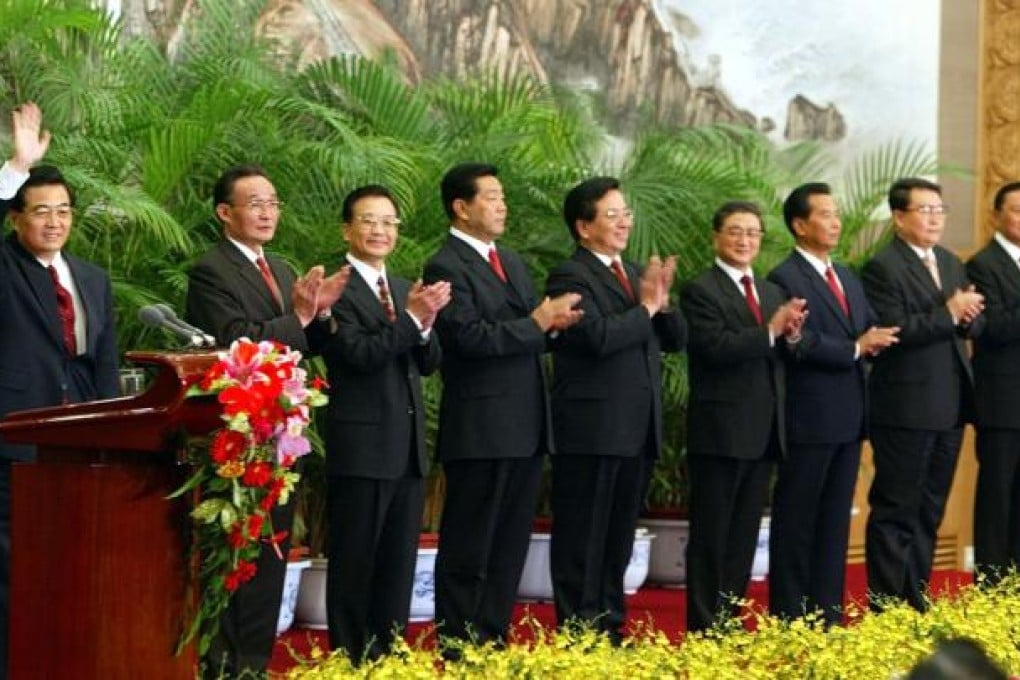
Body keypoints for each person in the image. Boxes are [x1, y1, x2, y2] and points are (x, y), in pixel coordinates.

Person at [185, 163, 348, 675]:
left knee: (272, 549)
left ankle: (253, 661)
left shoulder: (279, 268)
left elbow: (308, 345)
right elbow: (236, 340)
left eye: (272, 202)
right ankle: (222, 664)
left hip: (280, 433)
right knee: (237, 551)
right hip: (236, 436)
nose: (266, 212)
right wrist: (299, 317)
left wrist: (321, 315)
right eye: (254, 203)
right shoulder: (210, 270)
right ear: (224, 213)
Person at [422, 163, 582, 651]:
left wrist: (555, 326)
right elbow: (467, 339)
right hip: (481, 426)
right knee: (471, 542)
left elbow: (525, 334)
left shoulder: (509, 261)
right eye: (491, 196)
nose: (502, 205)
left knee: (509, 544)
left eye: (503, 196)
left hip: (527, 424)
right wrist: (537, 322)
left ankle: (492, 638)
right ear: (461, 206)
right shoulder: (445, 265)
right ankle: (458, 641)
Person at [0, 103, 120, 672]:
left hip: (78, 450)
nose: (54, 221)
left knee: (67, 569)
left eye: (64, 211)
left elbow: (104, 363)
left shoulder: (92, 278)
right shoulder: (6, 266)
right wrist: (17, 167)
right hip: (15, 443)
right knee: (11, 569)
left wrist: (115, 437)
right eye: (41, 211)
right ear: (17, 218)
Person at [309, 185, 450, 663]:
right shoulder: (336, 292)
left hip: (406, 448)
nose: (380, 230)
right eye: (369, 221)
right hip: (362, 446)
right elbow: (359, 355)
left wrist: (426, 324)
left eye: (389, 222)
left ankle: (387, 657)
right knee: (356, 561)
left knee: (396, 563)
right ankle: (349, 658)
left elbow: (428, 362)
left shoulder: (404, 285)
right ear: (347, 229)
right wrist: (413, 318)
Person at [544, 176, 686, 642]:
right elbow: (597, 339)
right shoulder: (571, 275)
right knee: (583, 537)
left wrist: (662, 303)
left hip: (635, 427)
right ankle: (578, 633)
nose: (625, 221)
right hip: (592, 428)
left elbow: (676, 340)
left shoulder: (629, 275)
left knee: (617, 537)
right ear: (583, 227)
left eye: (626, 213)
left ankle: (610, 625)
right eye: (612, 214)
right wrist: (645, 308)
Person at [767, 183, 899, 626]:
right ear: (800, 225)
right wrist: (856, 349)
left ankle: (827, 612)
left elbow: (861, 328)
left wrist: (870, 343)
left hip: (848, 415)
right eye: (825, 214)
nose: (836, 221)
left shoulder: (845, 274)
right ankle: (790, 614)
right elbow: (796, 344)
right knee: (798, 518)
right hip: (809, 416)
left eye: (837, 213)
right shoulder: (784, 277)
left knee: (834, 523)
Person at [679, 200, 805, 632]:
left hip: (764, 431)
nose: (745, 240)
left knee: (743, 538)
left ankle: (729, 623)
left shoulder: (771, 291)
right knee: (712, 535)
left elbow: (775, 355)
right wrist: (770, 331)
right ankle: (703, 627)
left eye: (753, 233)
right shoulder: (701, 290)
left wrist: (790, 336)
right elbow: (715, 347)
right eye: (735, 231)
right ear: (716, 236)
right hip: (720, 432)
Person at [861, 177, 984, 611]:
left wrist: (968, 317)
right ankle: (886, 607)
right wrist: (948, 313)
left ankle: (916, 599)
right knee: (897, 508)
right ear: (898, 217)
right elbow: (893, 330)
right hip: (905, 407)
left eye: (940, 210)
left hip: (949, 406)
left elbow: (969, 326)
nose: (935, 218)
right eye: (924, 210)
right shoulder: (883, 267)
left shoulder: (951, 262)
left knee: (930, 511)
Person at [966, 181, 1020, 585]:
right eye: (1016, 210)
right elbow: (990, 328)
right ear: (997, 216)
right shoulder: (983, 265)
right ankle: (994, 584)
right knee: (998, 495)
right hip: (1003, 400)